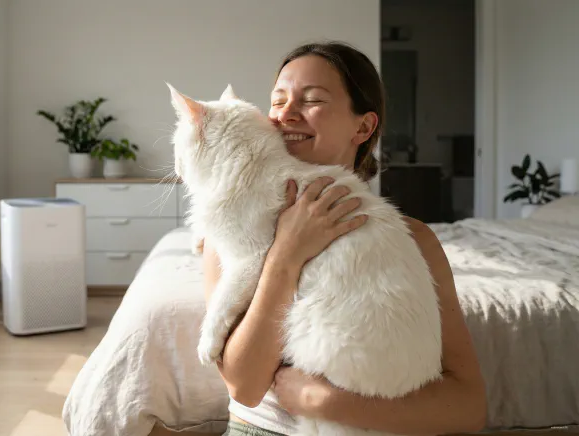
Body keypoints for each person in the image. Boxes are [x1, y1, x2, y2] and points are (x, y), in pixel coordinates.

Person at [202, 42, 488, 436]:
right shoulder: (234, 230)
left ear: (363, 127)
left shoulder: (413, 240)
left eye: (312, 99)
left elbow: (468, 408)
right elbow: (244, 386)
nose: (285, 115)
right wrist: (286, 254)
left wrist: (327, 402)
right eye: (277, 100)